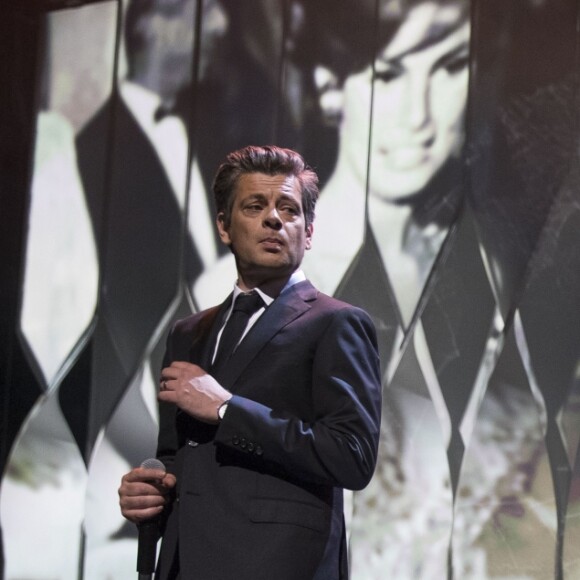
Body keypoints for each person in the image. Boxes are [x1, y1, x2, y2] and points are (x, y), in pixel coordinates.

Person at [118, 145, 382, 579]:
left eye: (289, 209)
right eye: (255, 206)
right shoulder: (188, 333)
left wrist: (227, 409)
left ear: (309, 231)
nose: (274, 219)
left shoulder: (336, 323)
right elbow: (177, 458)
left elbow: (351, 455)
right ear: (224, 226)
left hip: (278, 566)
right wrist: (150, 496)